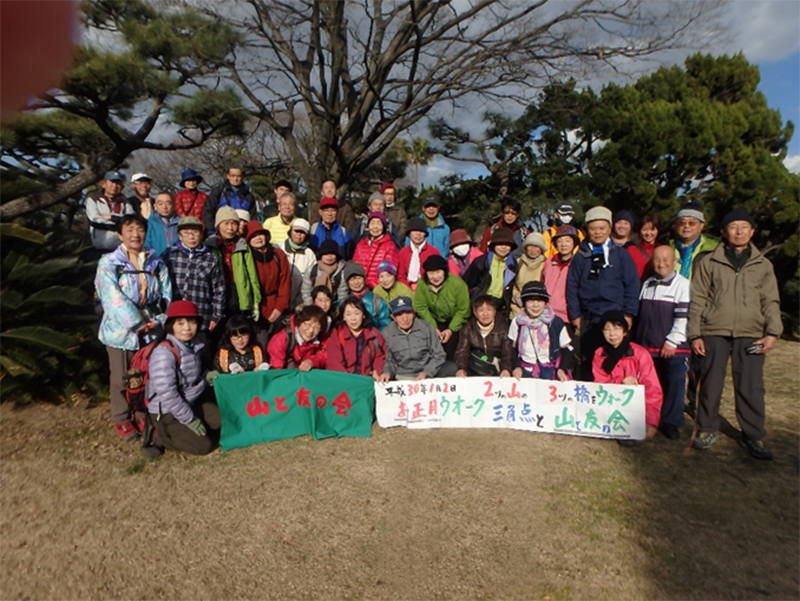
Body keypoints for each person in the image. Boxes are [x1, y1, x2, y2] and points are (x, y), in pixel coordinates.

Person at [688, 209, 782, 460]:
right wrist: (695, 333)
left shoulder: (763, 265)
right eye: (733, 227)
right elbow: (698, 299)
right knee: (710, 382)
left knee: (751, 385)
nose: (739, 231)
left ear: (752, 231)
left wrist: (772, 332)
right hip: (713, 331)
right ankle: (706, 428)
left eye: (744, 227)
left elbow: (770, 300)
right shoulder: (709, 262)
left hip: (751, 333)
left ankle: (753, 434)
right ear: (723, 232)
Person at [94, 214, 172, 440]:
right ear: (120, 234)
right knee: (121, 377)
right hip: (121, 331)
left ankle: (140, 412)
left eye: (139, 229)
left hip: (152, 327)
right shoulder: (109, 263)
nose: (135, 234)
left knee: (144, 375)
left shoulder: (155, 261)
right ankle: (121, 416)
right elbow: (111, 297)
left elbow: (167, 293)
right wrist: (137, 323)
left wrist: (158, 320)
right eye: (129, 230)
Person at [566, 206, 640, 380]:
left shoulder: (621, 255)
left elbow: (631, 285)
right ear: (587, 230)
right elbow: (572, 285)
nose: (598, 232)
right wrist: (575, 314)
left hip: (615, 313)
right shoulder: (580, 256)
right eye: (593, 228)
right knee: (588, 359)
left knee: (614, 358)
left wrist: (629, 313)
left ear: (609, 228)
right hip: (589, 317)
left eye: (602, 228)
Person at [145, 300, 220, 457]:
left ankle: (189, 429)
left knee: (222, 422)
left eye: (192, 322)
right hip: (166, 411)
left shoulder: (193, 345)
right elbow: (168, 395)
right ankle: (160, 437)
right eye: (180, 323)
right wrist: (190, 420)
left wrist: (206, 377)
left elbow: (191, 380)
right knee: (204, 446)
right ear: (171, 325)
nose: (187, 328)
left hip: (191, 402)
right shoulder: (163, 353)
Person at [634, 245, 691, 440]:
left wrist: (672, 341)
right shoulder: (647, 283)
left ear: (675, 261)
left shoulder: (683, 285)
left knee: (674, 383)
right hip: (647, 346)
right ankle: (649, 418)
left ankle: (671, 422)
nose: (661, 263)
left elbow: (683, 318)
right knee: (650, 385)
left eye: (666, 259)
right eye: (657, 259)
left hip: (673, 348)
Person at [593, 311, 662, 441]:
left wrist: (651, 422)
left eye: (617, 329)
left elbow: (652, 390)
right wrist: (620, 382)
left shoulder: (640, 354)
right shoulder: (599, 354)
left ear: (625, 331)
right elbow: (599, 383)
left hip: (634, 410)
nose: (612, 334)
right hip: (609, 407)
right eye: (607, 329)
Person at [162, 216, 225, 336]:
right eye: (186, 233)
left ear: (201, 235)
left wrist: (216, 316)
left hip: (201, 315)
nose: (191, 236)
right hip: (174, 316)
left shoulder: (210, 258)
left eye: (195, 232)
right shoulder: (169, 255)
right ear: (180, 236)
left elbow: (219, 290)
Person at [378, 296, 458, 382]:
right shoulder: (387, 333)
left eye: (408, 313)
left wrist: (427, 372)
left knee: (451, 368)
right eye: (399, 315)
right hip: (401, 374)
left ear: (414, 313)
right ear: (393, 317)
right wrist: (388, 372)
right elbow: (389, 360)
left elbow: (439, 354)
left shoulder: (426, 328)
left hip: (426, 371)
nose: (405, 319)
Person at [205, 207, 261, 321]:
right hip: (217, 294)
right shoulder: (209, 245)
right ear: (218, 225)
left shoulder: (242, 245)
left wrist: (255, 301)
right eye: (226, 223)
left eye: (234, 223)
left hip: (238, 293)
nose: (230, 228)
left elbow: (252, 275)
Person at [509, 282, 573, 381]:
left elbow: (566, 349)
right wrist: (516, 366)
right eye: (530, 301)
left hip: (550, 370)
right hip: (525, 369)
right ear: (524, 302)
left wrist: (561, 369)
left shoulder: (555, 322)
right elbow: (512, 348)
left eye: (539, 300)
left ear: (545, 302)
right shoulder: (517, 322)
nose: (535, 305)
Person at [413, 255, 470, 360]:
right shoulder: (422, 284)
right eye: (431, 273)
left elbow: (463, 310)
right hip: (432, 320)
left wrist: (451, 329)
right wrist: (433, 327)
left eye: (438, 272)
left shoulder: (458, 285)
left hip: (455, 321)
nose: (435, 277)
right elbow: (421, 307)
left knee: (452, 345)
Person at [244, 220, 291, 346]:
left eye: (260, 234)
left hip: (278, 307)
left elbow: (285, 282)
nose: (258, 238)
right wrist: (264, 312)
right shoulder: (247, 258)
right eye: (253, 236)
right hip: (259, 310)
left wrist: (279, 308)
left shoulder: (278, 255)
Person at [327, 297, 388, 380]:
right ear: (343, 317)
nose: (353, 318)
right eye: (348, 314)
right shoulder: (336, 334)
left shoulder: (373, 333)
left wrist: (376, 370)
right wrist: (347, 379)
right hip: (344, 379)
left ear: (363, 315)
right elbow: (334, 362)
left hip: (367, 379)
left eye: (357, 313)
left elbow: (381, 356)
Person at [454, 295, 514, 378]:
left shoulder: (504, 328)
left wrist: (506, 369)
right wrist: (461, 368)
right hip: (476, 366)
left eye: (489, 309)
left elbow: (507, 353)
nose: (485, 314)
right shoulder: (468, 328)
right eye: (481, 310)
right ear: (475, 313)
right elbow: (462, 352)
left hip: (497, 367)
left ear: (494, 311)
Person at [463, 227, 518, 313]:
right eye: (500, 244)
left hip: (501, 305)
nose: (503, 247)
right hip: (481, 301)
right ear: (494, 245)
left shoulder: (513, 264)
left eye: (507, 244)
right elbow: (466, 283)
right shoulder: (481, 262)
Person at [85, 171, 135, 257]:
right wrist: (120, 224)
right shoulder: (93, 200)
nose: (114, 186)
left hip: (121, 248)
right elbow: (95, 220)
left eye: (118, 183)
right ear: (103, 183)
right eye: (112, 182)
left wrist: (112, 217)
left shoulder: (125, 202)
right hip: (99, 248)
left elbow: (131, 219)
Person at [267, 305, 328, 371]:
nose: (311, 331)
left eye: (316, 327)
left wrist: (311, 362)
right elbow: (276, 370)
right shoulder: (280, 340)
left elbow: (324, 357)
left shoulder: (321, 338)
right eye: (308, 324)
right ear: (299, 321)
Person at [670, 200, 718, 281]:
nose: (686, 226)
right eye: (682, 223)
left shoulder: (714, 250)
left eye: (692, 223)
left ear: (702, 225)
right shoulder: (667, 247)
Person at [542, 224, 580, 324]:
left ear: (574, 243)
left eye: (567, 241)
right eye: (560, 241)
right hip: (546, 314)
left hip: (567, 316)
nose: (563, 244)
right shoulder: (549, 262)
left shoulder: (578, 263)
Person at [351, 212, 400, 289]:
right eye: (372, 223)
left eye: (378, 224)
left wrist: (373, 286)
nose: (375, 227)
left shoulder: (389, 246)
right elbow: (355, 267)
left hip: (380, 288)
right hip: (360, 288)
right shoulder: (360, 245)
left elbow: (389, 272)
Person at [339, 262, 391, 330]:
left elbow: (385, 325)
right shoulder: (343, 303)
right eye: (352, 279)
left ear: (364, 279)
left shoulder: (377, 301)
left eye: (359, 278)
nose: (356, 282)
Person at [202, 167, 256, 232]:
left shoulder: (249, 196)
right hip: (221, 232)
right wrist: (211, 230)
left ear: (243, 177)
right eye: (233, 176)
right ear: (228, 176)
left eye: (238, 176)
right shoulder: (219, 192)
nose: (236, 179)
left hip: (242, 232)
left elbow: (253, 217)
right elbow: (208, 212)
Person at [281, 218, 317, 311]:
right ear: (290, 231)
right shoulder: (278, 248)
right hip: (279, 301)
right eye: (296, 231)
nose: (298, 234)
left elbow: (311, 281)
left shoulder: (309, 254)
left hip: (298, 303)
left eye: (302, 232)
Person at [301, 239, 350, 306]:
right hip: (313, 306)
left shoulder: (341, 271)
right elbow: (306, 291)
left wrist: (338, 309)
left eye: (332, 253)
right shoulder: (312, 269)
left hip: (334, 306)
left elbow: (343, 294)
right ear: (321, 255)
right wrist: (311, 307)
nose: (329, 256)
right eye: (326, 253)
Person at [510, 232, 548, 318]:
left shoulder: (546, 264)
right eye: (530, 246)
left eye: (536, 246)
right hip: (517, 310)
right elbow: (509, 284)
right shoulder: (517, 262)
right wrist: (516, 296)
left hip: (538, 311)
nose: (533, 249)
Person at [397, 217, 441, 291]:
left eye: (421, 231)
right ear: (409, 233)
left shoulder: (433, 252)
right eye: (414, 231)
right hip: (406, 288)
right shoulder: (403, 252)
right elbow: (400, 275)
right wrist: (407, 289)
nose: (418, 234)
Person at [628, 212, 664, 281]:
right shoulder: (631, 250)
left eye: (652, 230)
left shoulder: (662, 250)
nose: (648, 233)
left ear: (658, 230)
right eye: (644, 229)